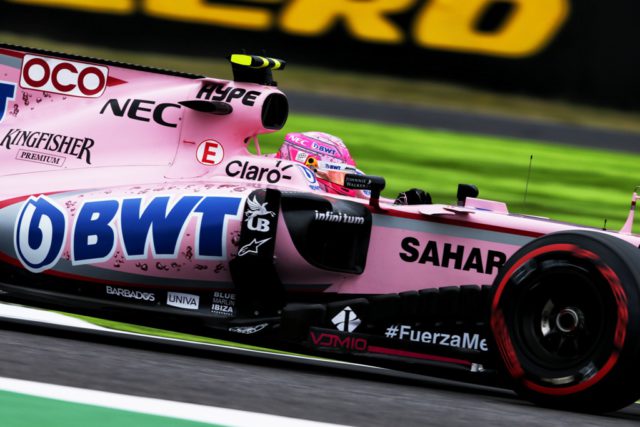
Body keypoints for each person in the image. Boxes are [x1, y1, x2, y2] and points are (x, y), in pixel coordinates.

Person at [276, 131, 432, 204]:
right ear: (308, 163)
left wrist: (403, 205)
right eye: (337, 169)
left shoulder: (353, 178)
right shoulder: (273, 177)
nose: (344, 173)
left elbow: (369, 201)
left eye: (344, 168)